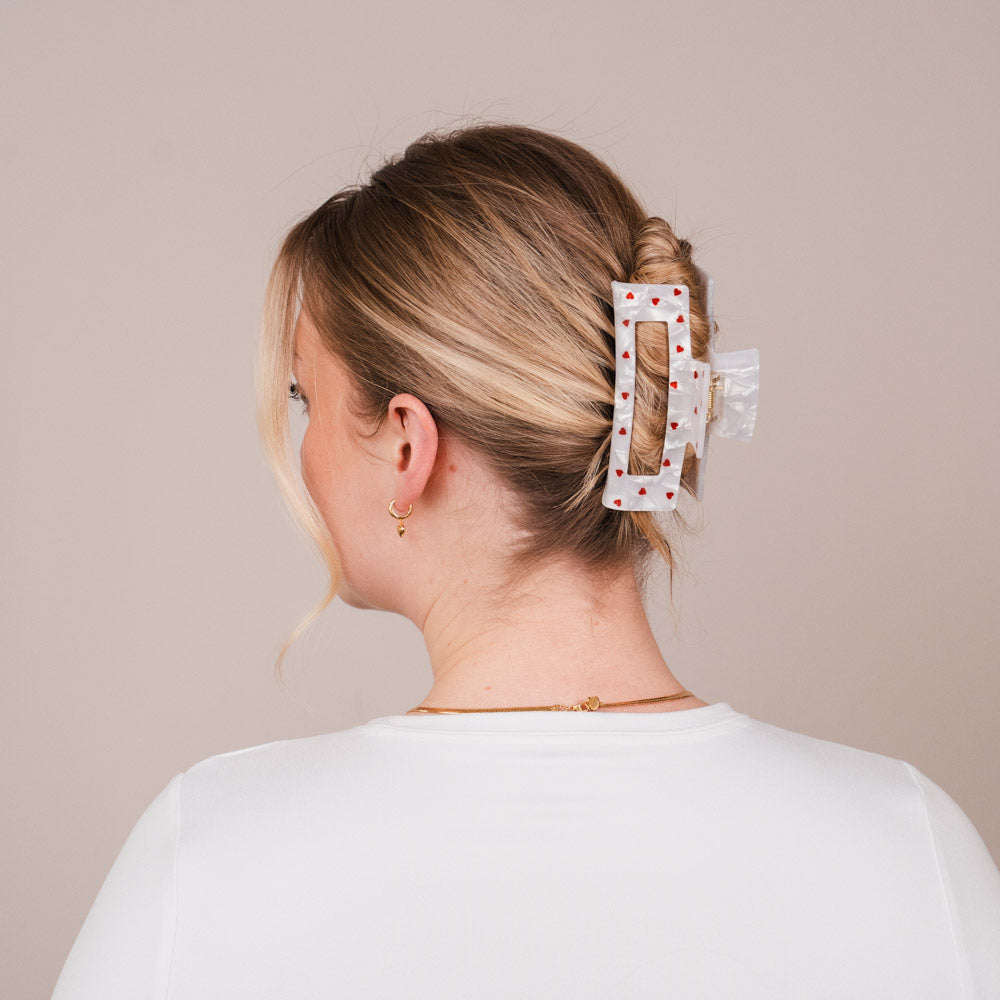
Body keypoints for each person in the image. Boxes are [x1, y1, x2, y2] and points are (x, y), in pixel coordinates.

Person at [51, 123, 1000, 998]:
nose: (302, 448)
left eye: (306, 398)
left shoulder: (212, 856)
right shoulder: (908, 844)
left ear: (407, 443)